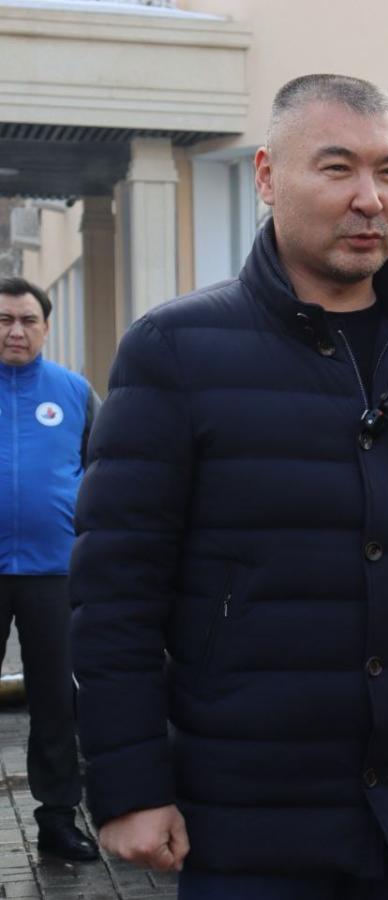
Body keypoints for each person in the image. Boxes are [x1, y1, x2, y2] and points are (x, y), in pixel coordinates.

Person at [69, 74, 388, 899]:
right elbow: (116, 593)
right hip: (248, 819)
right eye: (337, 167)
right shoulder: (176, 350)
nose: (370, 199)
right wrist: (131, 786)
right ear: (266, 176)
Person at [0, 276, 99, 862]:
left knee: (56, 701)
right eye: (4, 319)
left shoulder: (74, 392)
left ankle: (58, 821)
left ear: (45, 327)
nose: (15, 330)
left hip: (54, 573)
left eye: (27, 320)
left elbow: (103, 470)